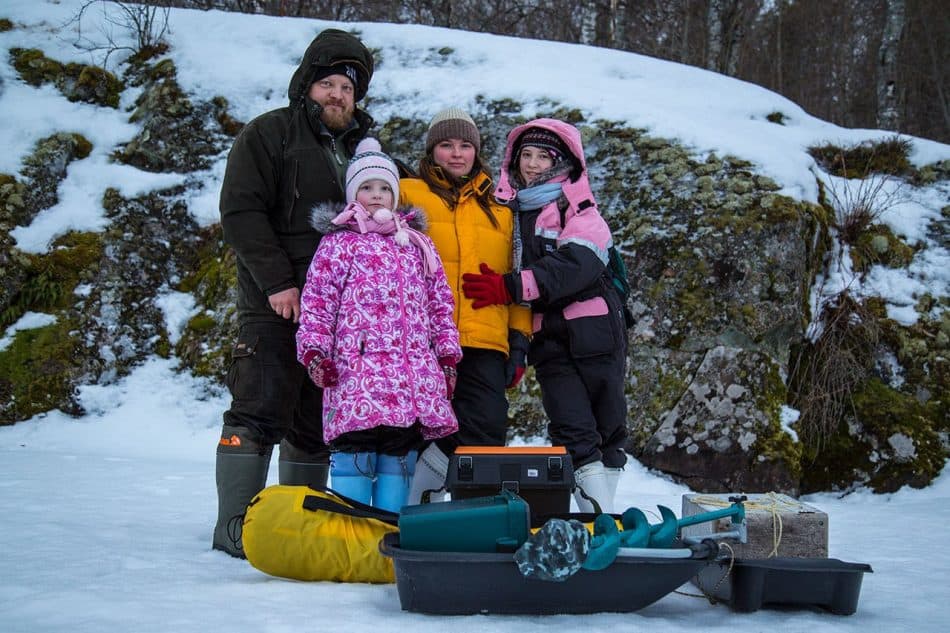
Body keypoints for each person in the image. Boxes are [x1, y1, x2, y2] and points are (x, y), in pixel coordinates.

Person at [213, 29, 376, 557]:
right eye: (328, 83)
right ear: (306, 85)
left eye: (347, 89)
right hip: (274, 307)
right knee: (258, 410)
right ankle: (236, 529)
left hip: (337, 318)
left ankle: (290, 533)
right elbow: (241, 211)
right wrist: (279, 283)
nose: (337, 95)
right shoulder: (269, 134)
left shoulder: (364, 152)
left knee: (313, 424)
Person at [461, 118, 628, 514]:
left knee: (610, 428)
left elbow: (579, 263)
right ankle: (598, 521)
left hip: (597, 332)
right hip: (548, 340)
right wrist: (517, 343)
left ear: (562, 161)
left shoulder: (579, 207)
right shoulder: (509, 212)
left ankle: (605, 518)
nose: (533, 165)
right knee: (573, 428)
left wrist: (512, 286)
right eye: (526, 156)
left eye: (543, 156)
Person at [296, 139, 462, 512]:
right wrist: (314, 354)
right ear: (353, 192)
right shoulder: (338, 244)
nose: (376, 195)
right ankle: (350, 536)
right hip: (355, 375)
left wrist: (447, 357)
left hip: (409, 378)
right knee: (355, 448)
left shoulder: (416, 244)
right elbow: (318, 304)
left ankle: (387, 537)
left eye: (385, 188)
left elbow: (440, 305)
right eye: (367, 187)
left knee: (398, 451)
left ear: (395, 194)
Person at [398, 108, 533, 503]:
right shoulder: (406, 193)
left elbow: (518, 271)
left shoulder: (502, 202)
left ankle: (469, 519)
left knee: (486, 430)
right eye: (446, 145)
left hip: (484, 339)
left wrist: (520, 338)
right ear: (430, 150)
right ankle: (418, 514)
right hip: (422, 338)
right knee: (416, 429)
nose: (456, 154)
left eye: (465, 146)